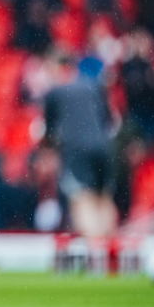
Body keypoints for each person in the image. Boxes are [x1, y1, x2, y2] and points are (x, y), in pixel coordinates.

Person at [42, 51, 116, 240]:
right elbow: (107, 120)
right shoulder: (93, 86)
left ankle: (95, 253)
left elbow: (50, 135)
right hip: (103, 148)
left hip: (76, 151)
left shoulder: (54, 93)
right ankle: (109, 253)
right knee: (103, 198)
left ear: (57, 67)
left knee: (81, 199)